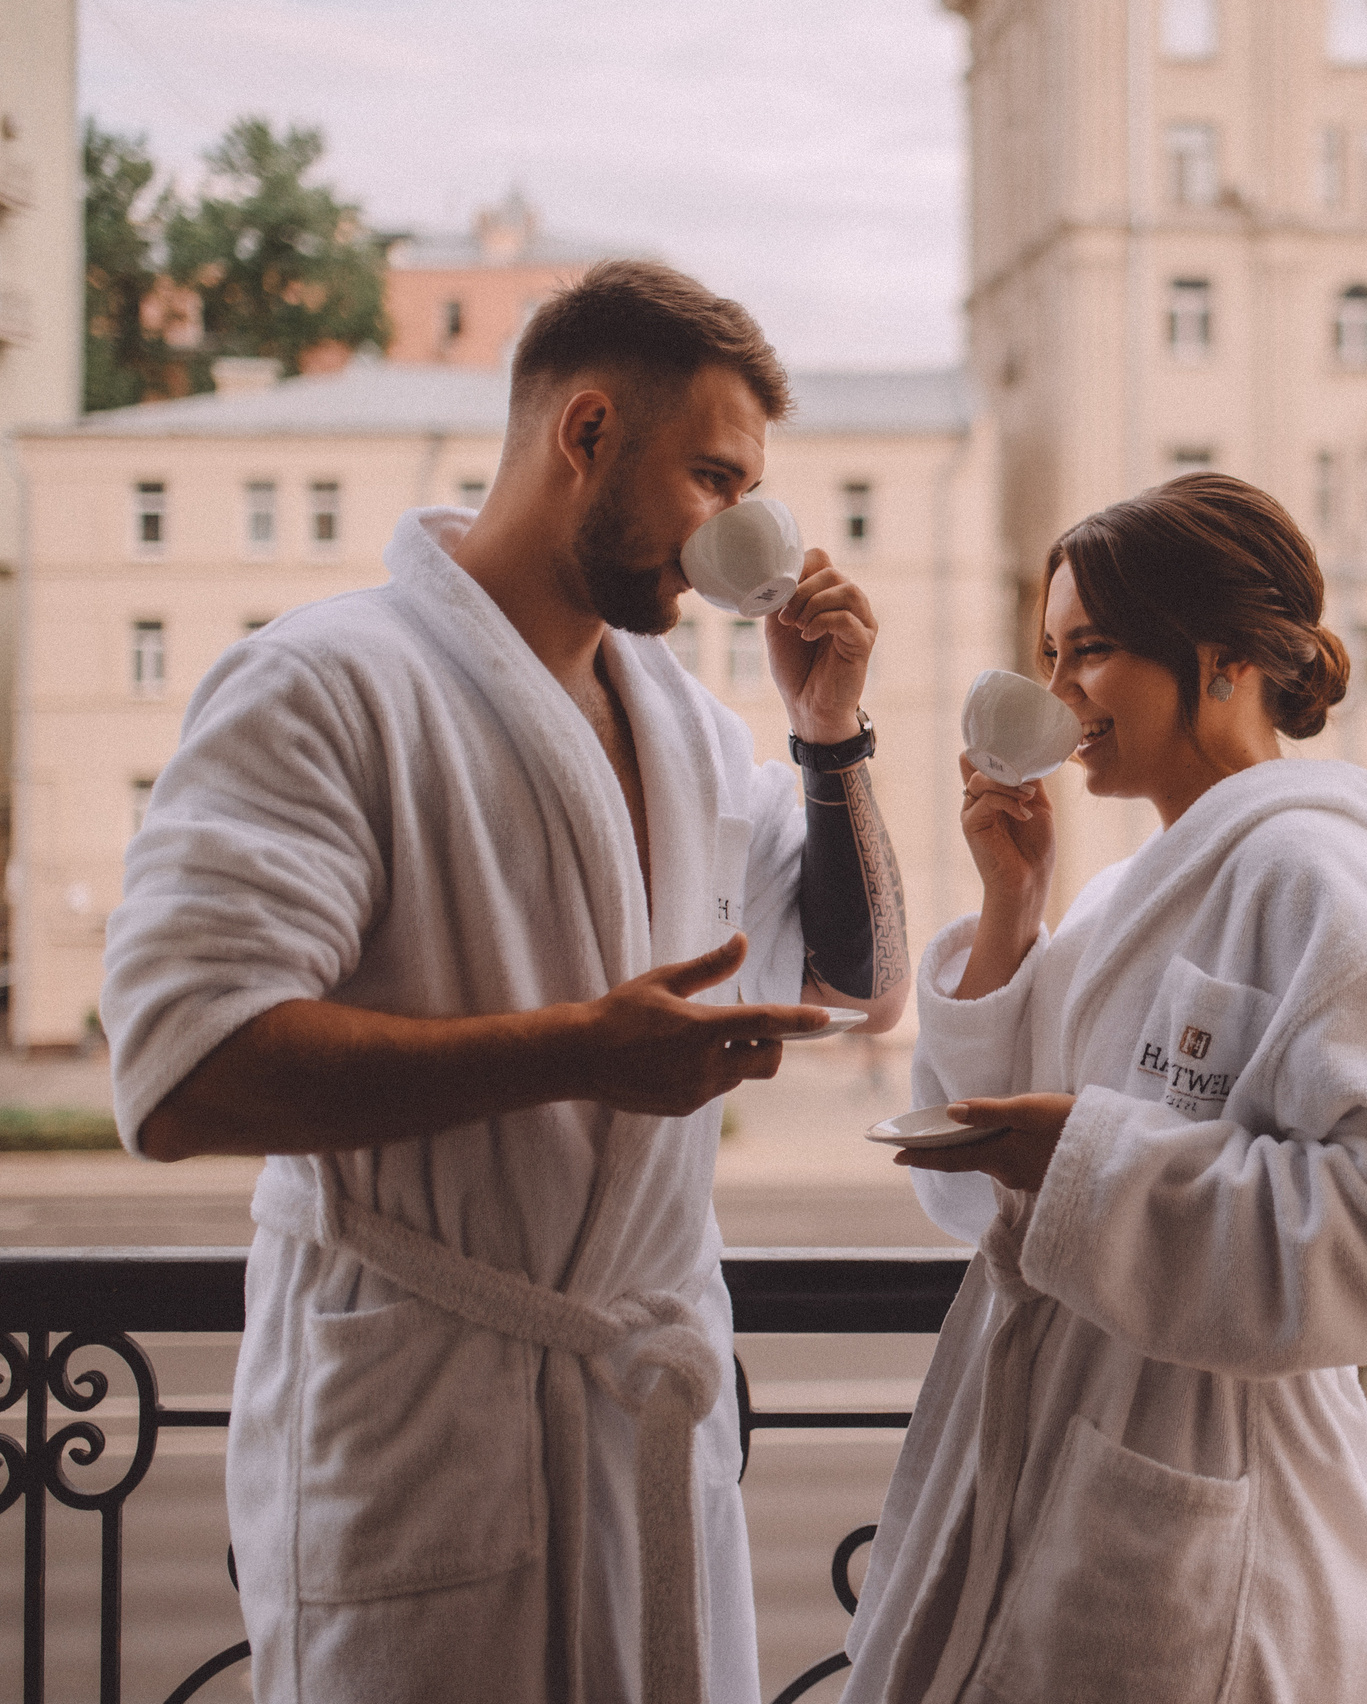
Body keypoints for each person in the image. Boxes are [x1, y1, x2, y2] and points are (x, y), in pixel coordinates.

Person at [102, 260, 912, 1704]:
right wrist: (576, 1053)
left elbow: (862, 979)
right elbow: (181, 1074)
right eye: (713, 481)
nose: (738, 536)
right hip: (427, 1415)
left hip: (643, 1414)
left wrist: (829, 732)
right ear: (586, 433)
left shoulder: (687, 727)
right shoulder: (324, 682)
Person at [836, 473, 1367, 1704]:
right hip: (1059, 1439)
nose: (1059, 692)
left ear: (1221, 660)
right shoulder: (1130, 890)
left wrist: (1088, 1164)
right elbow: (984, 1188)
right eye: (1050, 654)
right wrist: (1011, 905)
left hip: (1207, 1486)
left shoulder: (1315, 877)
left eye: (1091, 650)